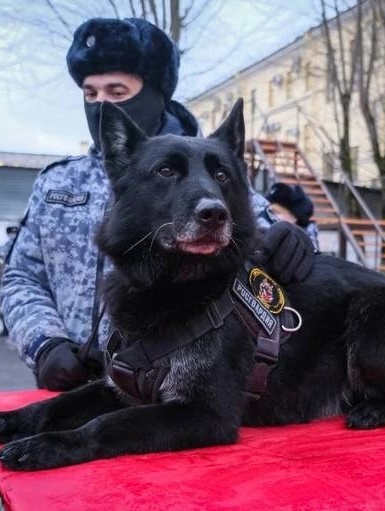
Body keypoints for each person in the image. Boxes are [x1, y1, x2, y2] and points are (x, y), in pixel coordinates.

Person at [0, 17, 313, 392]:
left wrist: (298, 237)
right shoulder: (57, 183)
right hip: (75, 392)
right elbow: (20, 276)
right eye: (90, 93)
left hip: (174, 393)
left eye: (116, 91)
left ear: (155, 93)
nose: (101, 105)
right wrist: (44, 343)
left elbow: (269, 244)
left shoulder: (213, 172)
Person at [265, 182, 320, 252]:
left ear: (294, 217)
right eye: (268, 212)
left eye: (275, 212)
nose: (269, 216)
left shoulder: (304, 249)